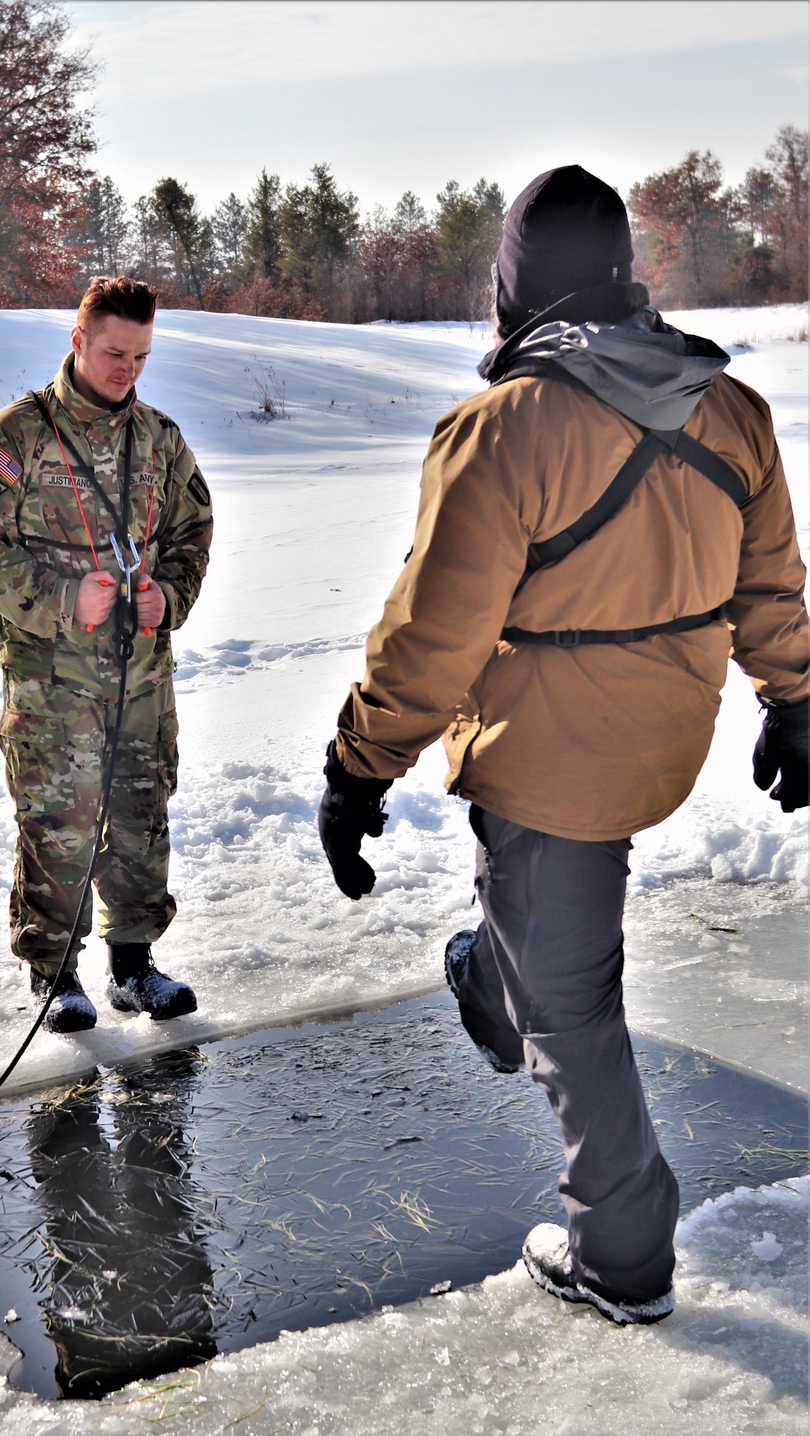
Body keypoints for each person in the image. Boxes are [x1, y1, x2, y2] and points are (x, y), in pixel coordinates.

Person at [317, 167, 809, 1326]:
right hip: (664, 739)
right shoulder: (727, 407)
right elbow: (771, 580)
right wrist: (794, 699)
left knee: (571, 1015)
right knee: (551, 933)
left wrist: (357, 766)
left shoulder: (503, 426)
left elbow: (434, 634)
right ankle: (498, 964)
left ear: (512, 283)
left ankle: (620, 1257)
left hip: (547, 761)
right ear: (626, 271)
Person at [0, 276, 213, 1034]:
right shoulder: (20, 435)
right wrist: (66, 599)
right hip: (51, 681)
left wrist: (169, 593)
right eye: (113, 352)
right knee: (58, 819)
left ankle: (134, 967)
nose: (127, 368)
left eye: (140, 355)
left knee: (140, 809)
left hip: (139, 675)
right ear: (78, 341)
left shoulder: (159, 439)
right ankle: (53, 975)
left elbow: (193, 531)